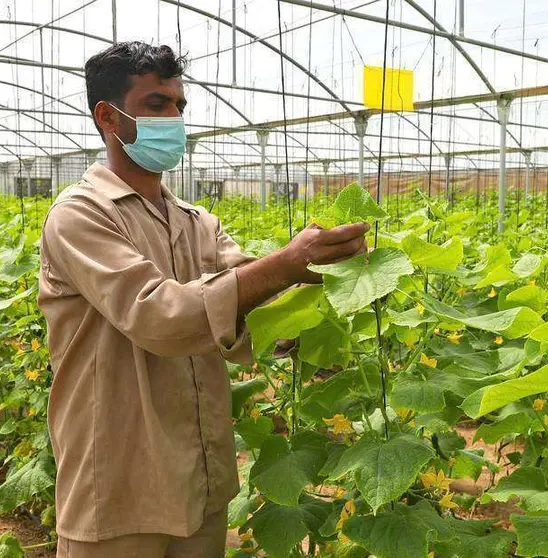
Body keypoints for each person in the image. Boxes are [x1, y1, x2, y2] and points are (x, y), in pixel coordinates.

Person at [37, 41, 368, 557]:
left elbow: (250, 302)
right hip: (119, 481)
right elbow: (158, 316)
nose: (173, 118)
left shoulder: (196, 222)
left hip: (202, 476)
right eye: (155, 105)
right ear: (108, 116)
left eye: (178, 106)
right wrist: (283, 263)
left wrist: (340, 292)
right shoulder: (80, 214)